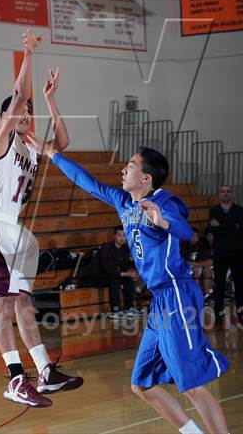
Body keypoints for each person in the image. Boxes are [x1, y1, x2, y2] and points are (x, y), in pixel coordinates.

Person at [27, 138, 230, 434]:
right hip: (160, 302)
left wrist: (163, 222)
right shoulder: (123, 201)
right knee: (141, 384)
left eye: (131, 165)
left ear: (146, 178)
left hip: (177, 296)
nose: (124, 170)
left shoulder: (165, 202)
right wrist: (53, 155)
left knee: (191, 384)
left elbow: (185, 230)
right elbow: (87, 182)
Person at [0, 29, 83, 408]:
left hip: (13, 232)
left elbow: (63, 143)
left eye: (29, 114)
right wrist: (28, 54)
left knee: (23, 304)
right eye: (20, 112)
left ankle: (45, 371)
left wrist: (50, 101)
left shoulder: (30, 148)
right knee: (4, 305)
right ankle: (16, 379)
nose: (25, 115)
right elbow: (19, 97)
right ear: (6, 117)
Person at [209, 185, 243, 326]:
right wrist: (232, 226)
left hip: (237, 253)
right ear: (219, 194)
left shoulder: (240, 211)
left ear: (232, 194)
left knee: (239, 285)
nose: (225, 194)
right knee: (219, 285)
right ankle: (218, 316)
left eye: (228, 191)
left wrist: (222, 226)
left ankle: (242, 316)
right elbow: (215, 231)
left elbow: (241, 230)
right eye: (222, 191)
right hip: (220, 254)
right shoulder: (214, 210)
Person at [84, 225, 141, 318]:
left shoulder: (125, 249)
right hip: (96, 277)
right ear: (114, 236)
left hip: (111, 275)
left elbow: (127, 266)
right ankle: (115, 311)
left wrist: (133, 273)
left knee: (128, 280)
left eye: (124, 235)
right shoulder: (106, 249)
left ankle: (129, 308)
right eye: (119, 235)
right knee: (114, 280)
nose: (122, 238)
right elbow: (109, 271)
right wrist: (128, 273)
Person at [180, 228, 213, 298]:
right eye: (192, 236)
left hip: (199, 267)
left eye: (196, 236)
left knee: (206, 270)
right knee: (195, 270)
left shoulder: (202, 244)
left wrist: (195, 264)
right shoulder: (183, 244)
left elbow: (209, 262)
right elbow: (183, 262)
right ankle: (197, 295)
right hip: (185, 268)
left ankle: (208, 295)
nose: (195, 239)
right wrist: (197, 264)